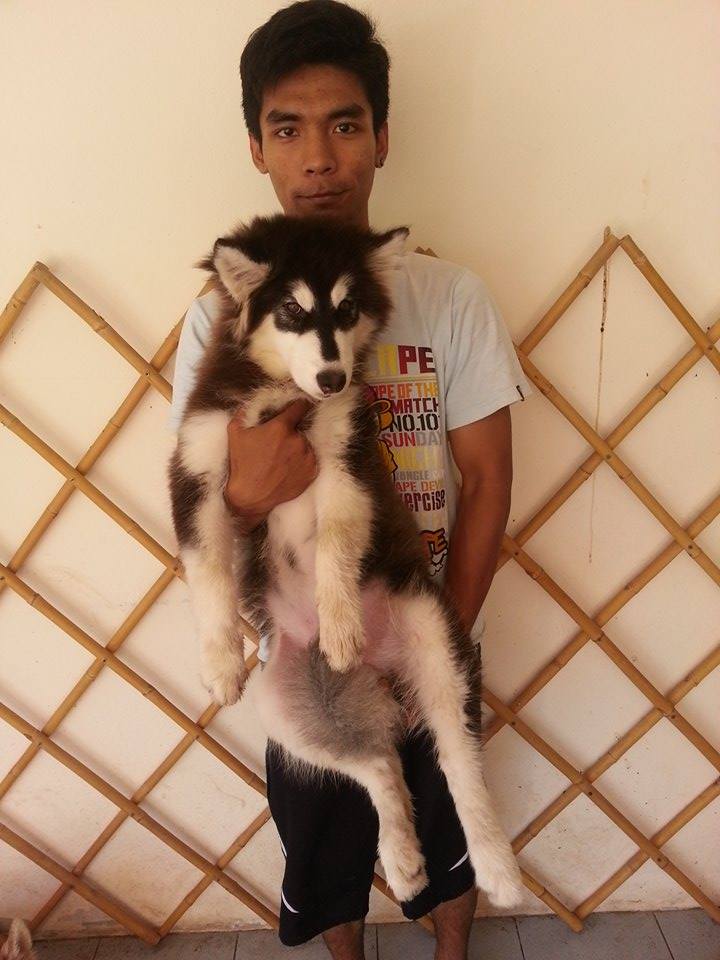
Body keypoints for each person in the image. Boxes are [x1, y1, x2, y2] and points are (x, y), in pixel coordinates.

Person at [167, 2, 534, 957]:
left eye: (344, 123)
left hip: (424, 610)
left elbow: (487, 478)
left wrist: (445, 631)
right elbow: (209, 501)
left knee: (450, 837)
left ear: (381, 136)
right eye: (288, 129)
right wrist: (251, 494)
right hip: (300, 635)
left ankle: (452, 950)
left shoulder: (450, 297)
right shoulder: (220, 321)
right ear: (257, 148)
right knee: (326, 847)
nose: (320, 158)